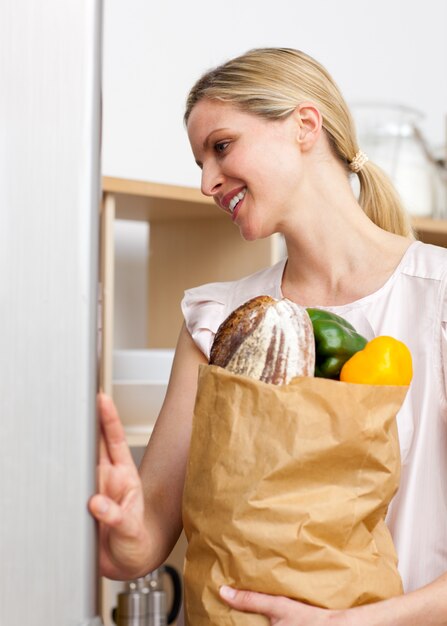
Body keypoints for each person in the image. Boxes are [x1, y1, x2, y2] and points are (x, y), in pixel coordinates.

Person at [89, 48, 447, 624]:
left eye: (222, 146)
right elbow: (147, 536)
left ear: (306, 125)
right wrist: (127, 532)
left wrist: (346, 623)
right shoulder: (216, 319)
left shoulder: (437, 299)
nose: (207, 181)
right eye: (199, 162)